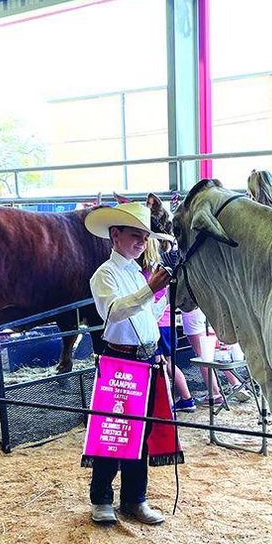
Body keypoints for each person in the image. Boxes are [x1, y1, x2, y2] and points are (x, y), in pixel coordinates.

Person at [84, 201, 174, 526]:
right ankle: (102, 498)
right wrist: (150, 290)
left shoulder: (138, 272)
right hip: (119, 360)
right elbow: (114, 311)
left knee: (142, 432)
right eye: (135, 236)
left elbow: (148, 315)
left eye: (144, 237)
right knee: (114, 431)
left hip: (146, 358)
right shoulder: (104, 274)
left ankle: (135, 498)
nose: (141, 242)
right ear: (115, 235)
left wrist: (161, 295)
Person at [137, 237, 196, 413]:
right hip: (167, 325)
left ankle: (168, 403)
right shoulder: (164, 272)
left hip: (157, 326)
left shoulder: (147, 275)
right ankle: (186, 399)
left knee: (161, 366)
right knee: (168, 364)